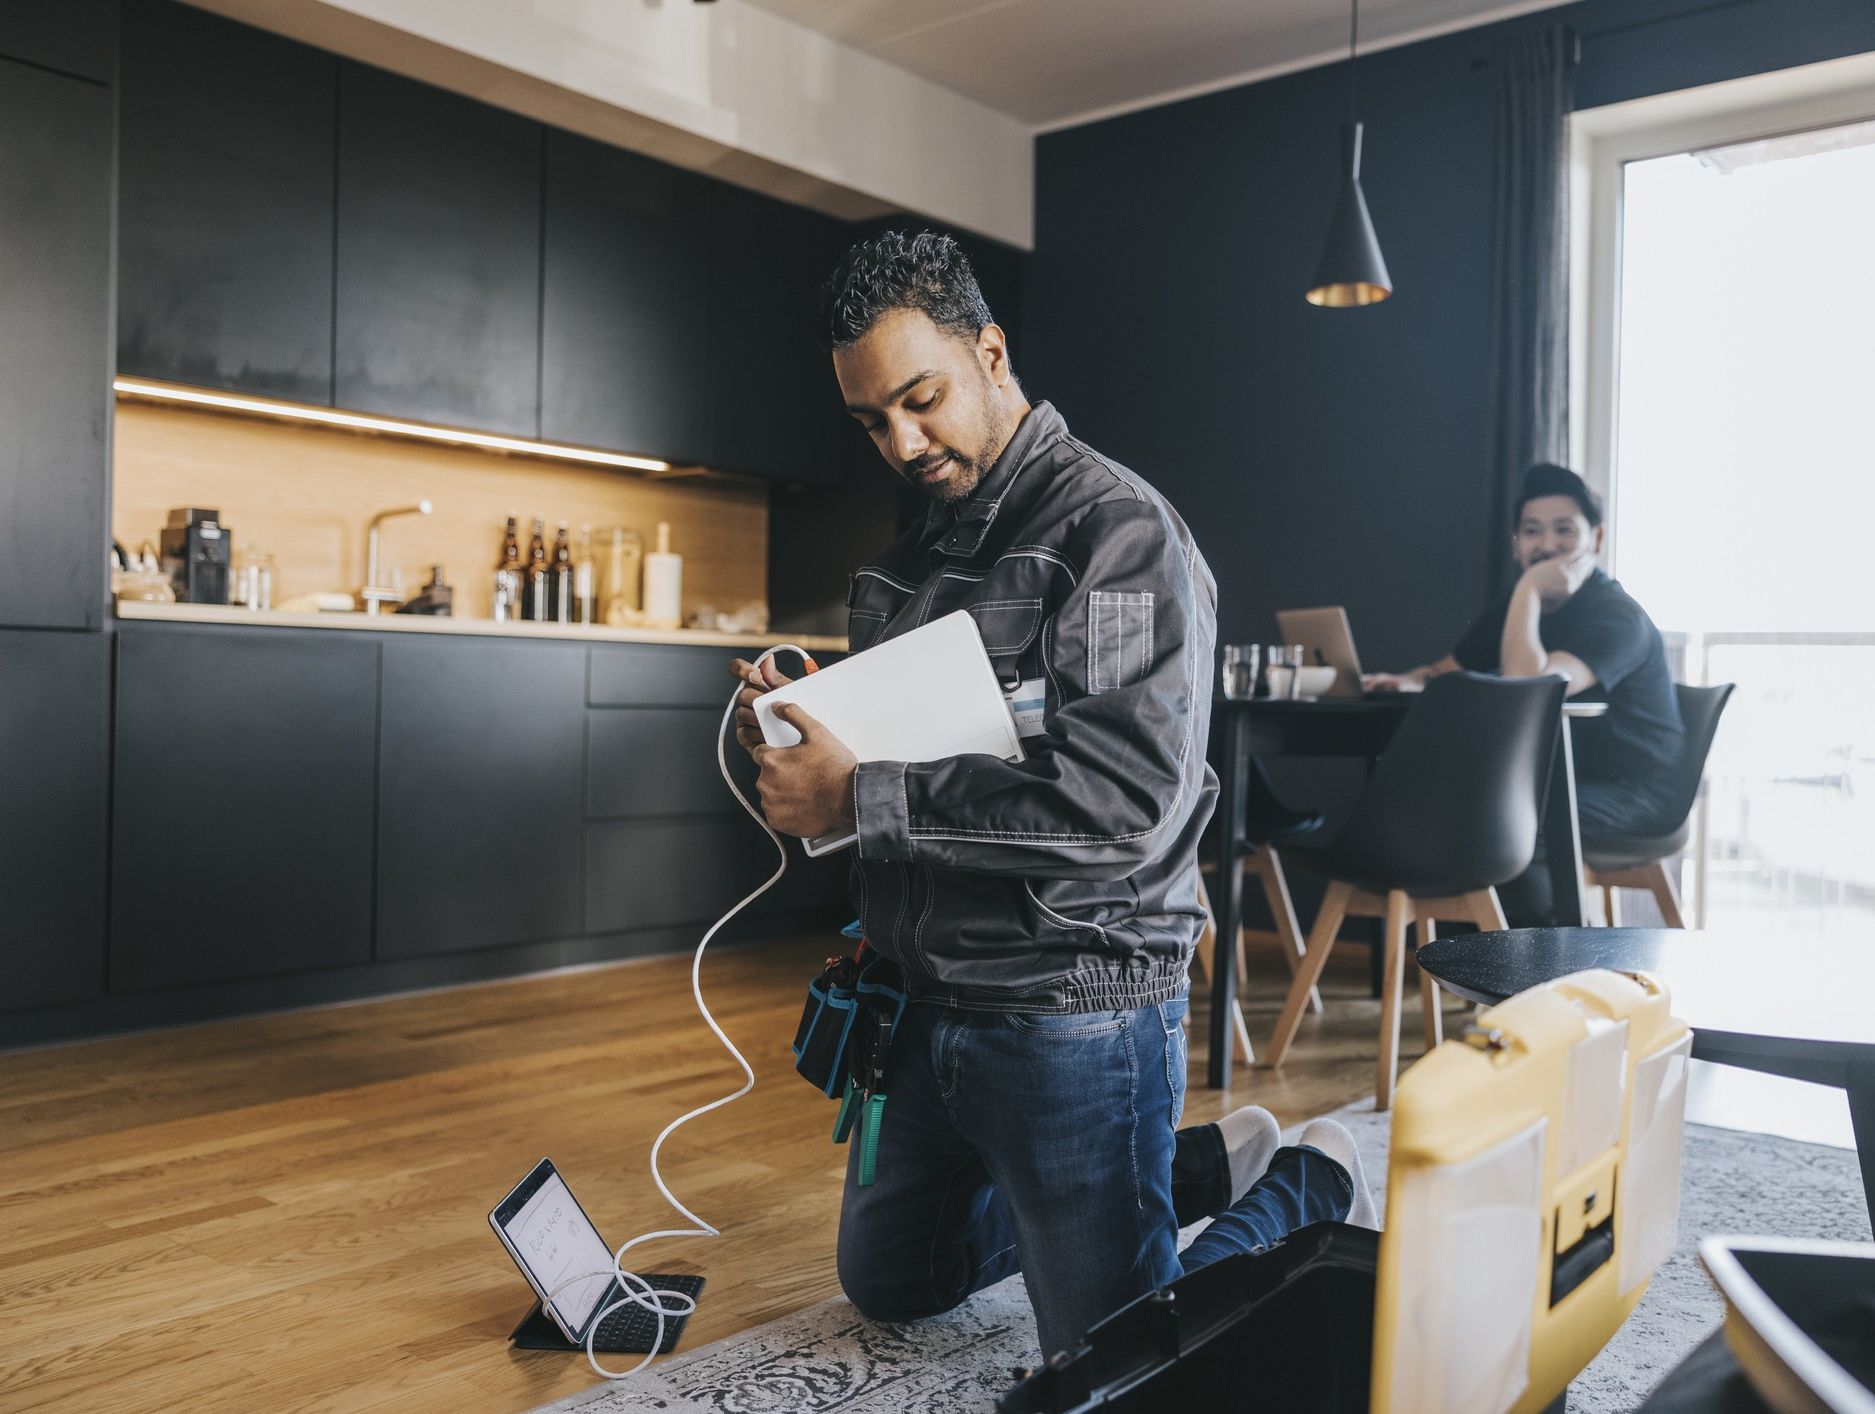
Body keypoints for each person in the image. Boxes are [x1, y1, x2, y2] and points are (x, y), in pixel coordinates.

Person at [726, 230, 1377, 1362]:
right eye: (873, 420)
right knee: (893, 1281)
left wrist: (860, 795)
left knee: (1121, 1370)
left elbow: (1122, 804)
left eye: (921, 398)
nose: (902, 440)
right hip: (921, 1003)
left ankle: (1307, 1187)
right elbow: (928, 757)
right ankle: (1193, 1168)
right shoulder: (906, 563)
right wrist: (822, 728)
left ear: (991, 350)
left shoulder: (1118, 535)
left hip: (1073, 1003)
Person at [1364, 463, 1685, 922]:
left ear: (1596, 540)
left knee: (1511, 817)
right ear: (1517, 543)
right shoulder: (1518, 605)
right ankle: (1508, 960)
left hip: (1637, 791)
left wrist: (1531, 589)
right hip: (1561, 782)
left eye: (1564, 531)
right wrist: (1410, 680)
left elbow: (1527, 690)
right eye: (1532, 531)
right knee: (1477, 804)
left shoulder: (1617, 617)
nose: (1547, 545)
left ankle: (1552, 965)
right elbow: (1444, 669)